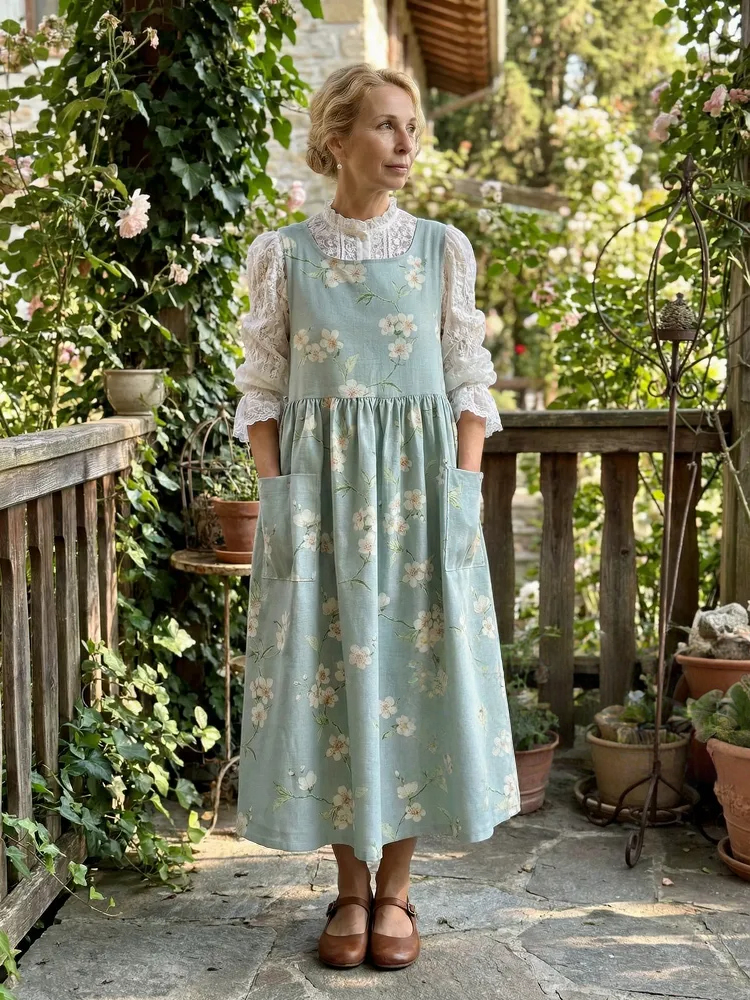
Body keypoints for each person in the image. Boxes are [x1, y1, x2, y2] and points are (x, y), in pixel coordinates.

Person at [232, 63, 520, 972]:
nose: (406, 144)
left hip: (423, 502)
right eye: (387, 126)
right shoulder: (285, 255)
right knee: (332, 679)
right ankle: (348, 890)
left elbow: (469, 380)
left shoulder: (442, 249)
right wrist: (279, 498)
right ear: (337, 139)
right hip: (319, 506)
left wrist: (463, 491)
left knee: (414, 678)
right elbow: (263, 391)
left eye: (412, 128)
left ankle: (395, 891)